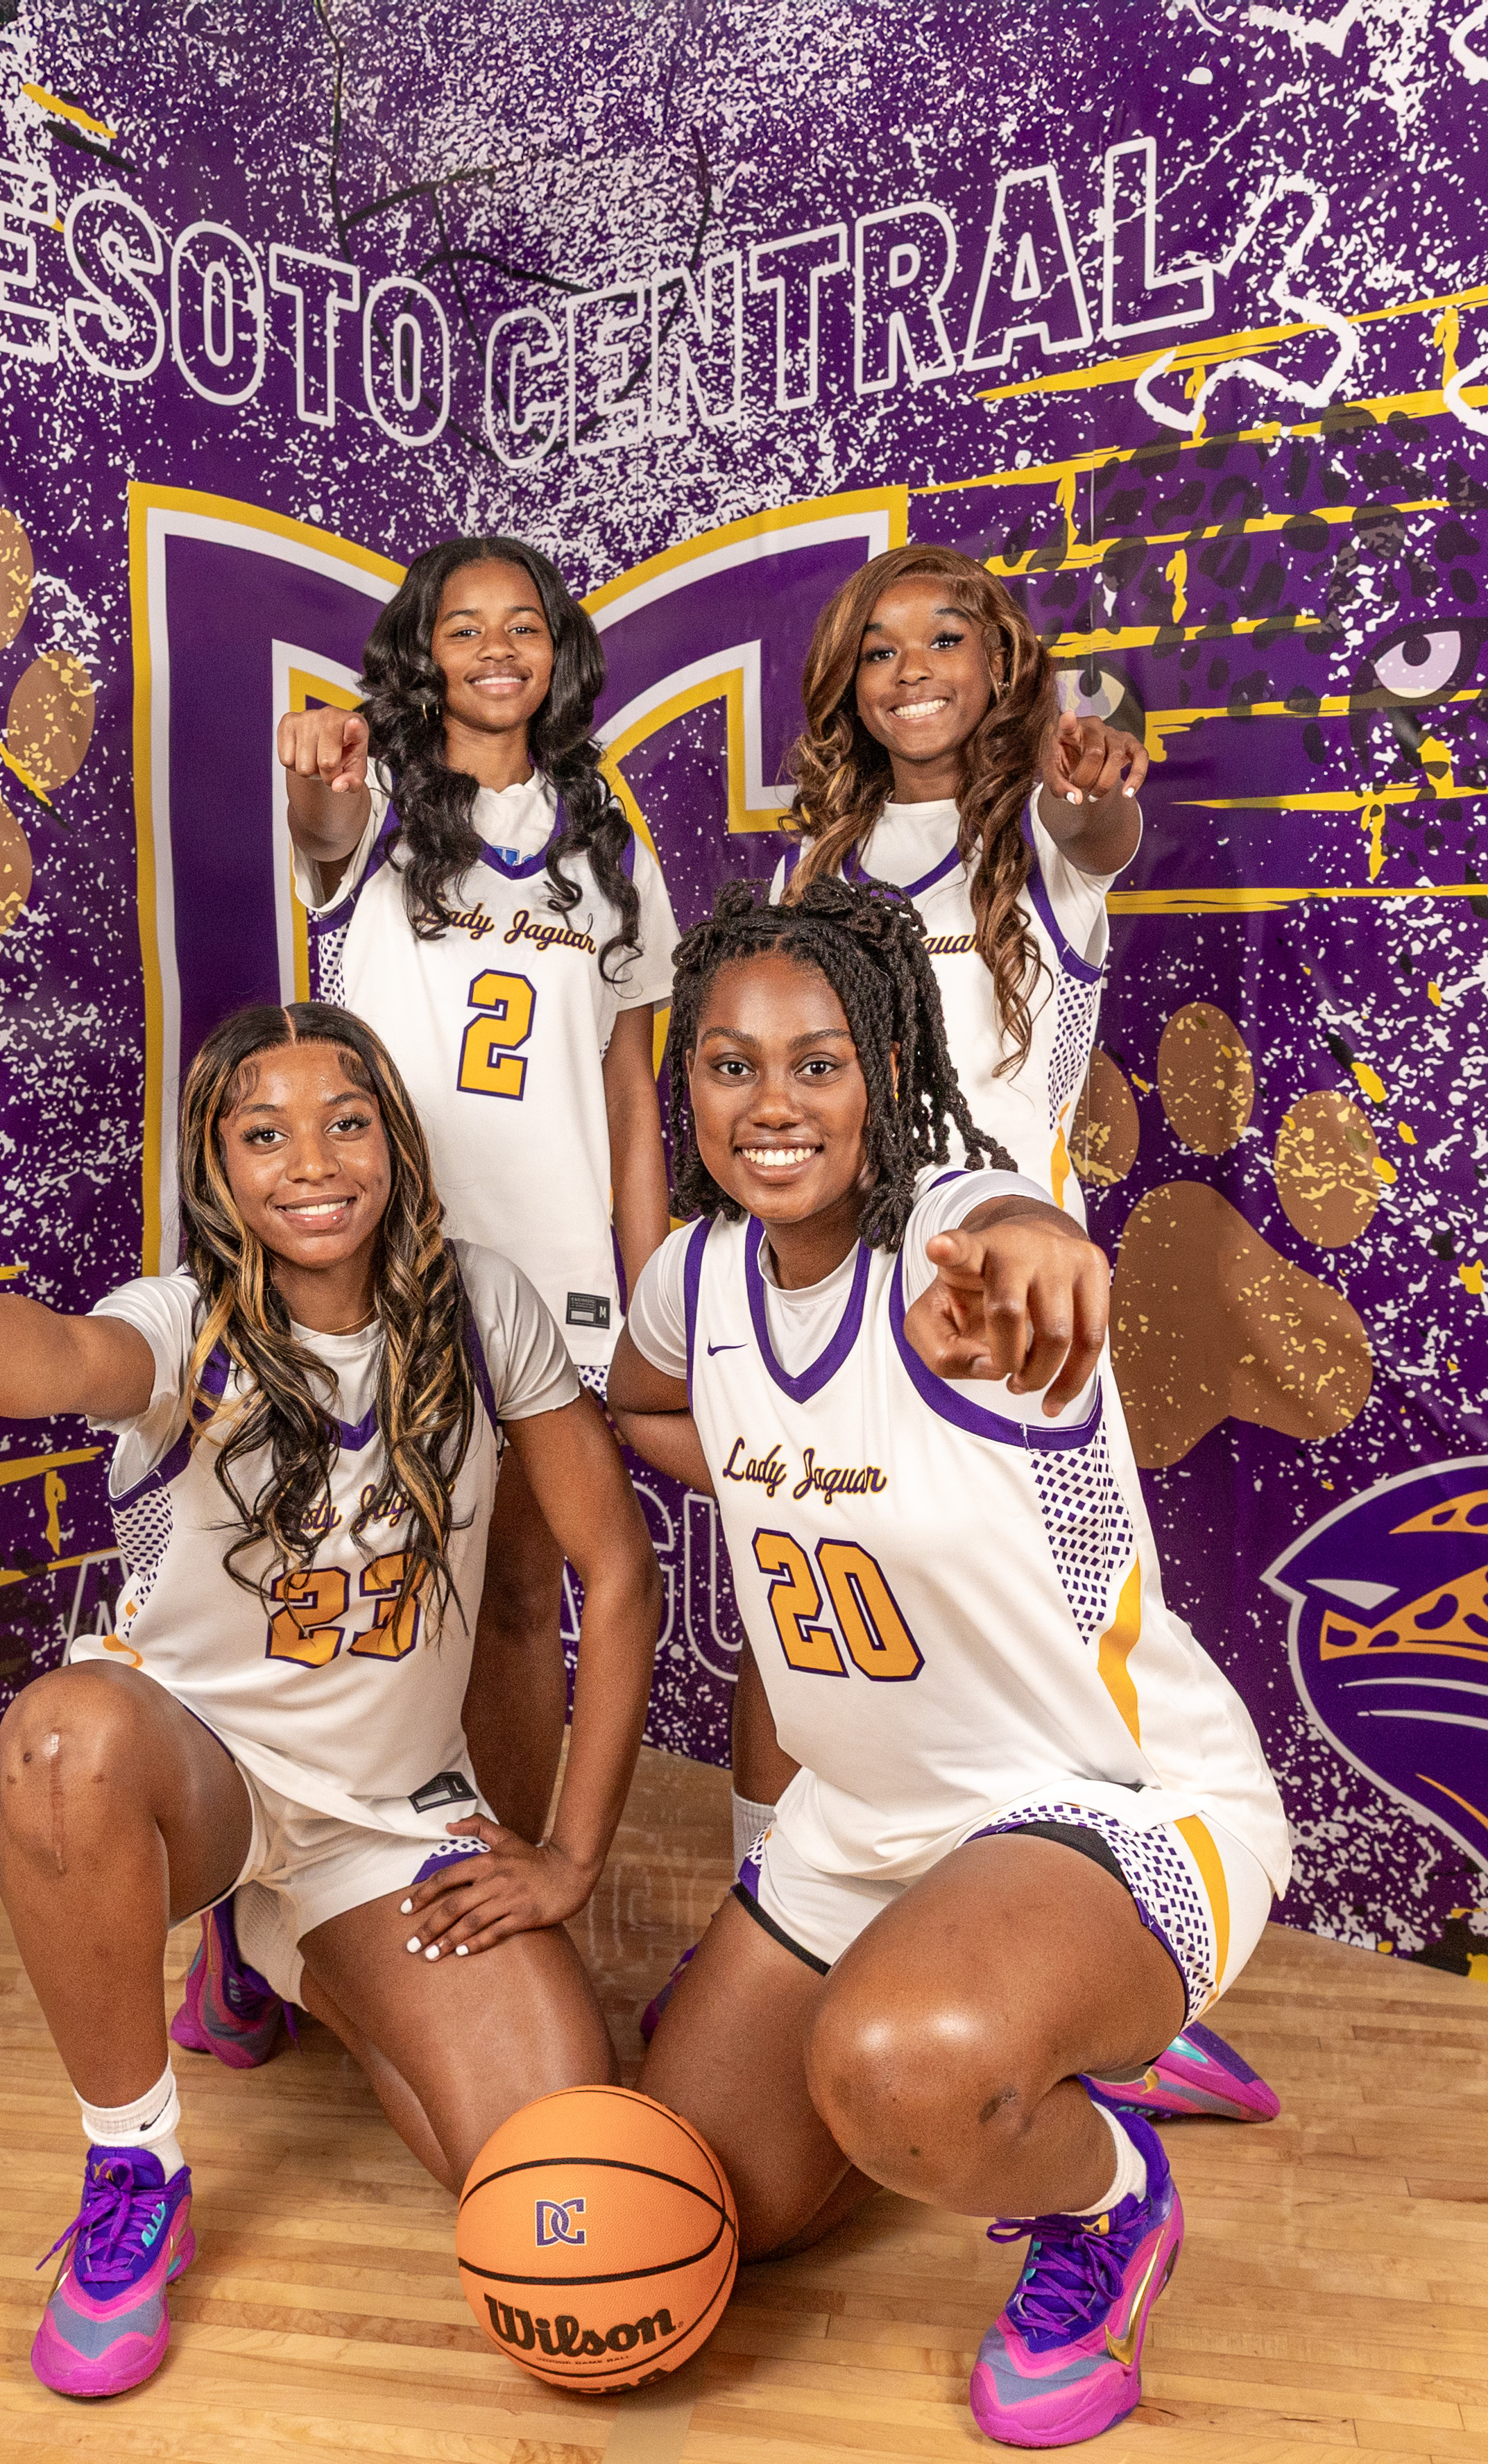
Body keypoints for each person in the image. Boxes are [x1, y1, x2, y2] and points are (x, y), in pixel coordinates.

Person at [0, 1001, 661, 2403]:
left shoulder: (485, 1305)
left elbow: (616, 1566)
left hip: (385, 1821)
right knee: (63, 1735)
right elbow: (51, 1357)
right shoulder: (179, 1327)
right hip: (201, 1785)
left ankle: (286, 1957)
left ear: (397, 1146)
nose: (311, 1162)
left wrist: (571, 1858)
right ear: (217, 1167)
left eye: (345, 1122)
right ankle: (135, 2165)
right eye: (264, 1133)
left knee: (563, 2169)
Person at [610, 881, 1290, 2449]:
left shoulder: (948, 1264)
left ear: (888, 1079)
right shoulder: (698, 1283)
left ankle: (1108, 2198)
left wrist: (1034, 1245)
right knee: (725, 2197)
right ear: (691, 1086)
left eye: (820, 1062)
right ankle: (1038, 2035)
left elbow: (1000, 1233)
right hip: (862, 1827)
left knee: (900, 2072)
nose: (771, 1104)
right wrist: (763, 1460)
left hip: (1113, 1806)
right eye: (729, 1064)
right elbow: (647, 1400)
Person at [701, 543, 1275, 2133]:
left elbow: (1098, 831)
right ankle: (844, 1904)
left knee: (1074, 1648)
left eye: (944, 637)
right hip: (855, 1291)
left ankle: (1127, 1967)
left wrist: (1087, 791)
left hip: (1008, 1312)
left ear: (998, 660)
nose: (909, 668)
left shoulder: (1033, 833)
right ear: (844, 688)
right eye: (874, 649)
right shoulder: (812, 873)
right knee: (823, 1573)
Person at [276, 536, 678, 1849]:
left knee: (516, 1596)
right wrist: (319, 770)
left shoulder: (610, 840)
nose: (497, 648)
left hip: (554, 1272)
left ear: (557, 652)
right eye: (466, 627)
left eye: (524, 626)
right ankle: (271, 1895)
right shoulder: (380, 795)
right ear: (424, 651)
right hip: (391, 1257)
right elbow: (320, 829)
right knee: (350, 1584)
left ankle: (501, 1866)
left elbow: (632, 1099)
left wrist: (651, 1291)